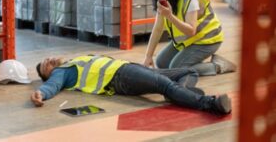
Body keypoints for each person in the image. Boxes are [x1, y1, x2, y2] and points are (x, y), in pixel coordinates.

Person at [31, 55, 232, 116]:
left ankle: (180, 94)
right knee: (167, 86)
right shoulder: (61, 73)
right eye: (45, 65)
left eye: (46, 59)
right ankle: (210, 104)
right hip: (121, 77)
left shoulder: (73, 61)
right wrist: (41, 92)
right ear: (48, 74)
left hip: (129, 69)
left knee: (189, 72)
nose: (48, 60)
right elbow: (52, 86)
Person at [143, 0, 237, 76]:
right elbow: (157, 29)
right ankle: (191, 61)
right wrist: (148, 56)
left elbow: (191, 31)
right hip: (188, 42)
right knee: (161, 63)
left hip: (207, 40)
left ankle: (218, 65)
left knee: (176, 69)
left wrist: (170, 16)